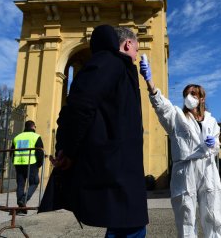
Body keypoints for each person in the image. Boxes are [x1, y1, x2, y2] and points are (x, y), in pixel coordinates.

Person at [51, 25, 148, 237]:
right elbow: (78, 107)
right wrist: (67, 150)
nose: (137, 54)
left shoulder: (117, 67)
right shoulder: (109, 63)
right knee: (129, 226)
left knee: (127, 225)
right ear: (128, 43)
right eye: (137, 49)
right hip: (115, 164)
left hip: (120, 164)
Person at [139, 58, 221, 237]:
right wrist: (150, 82)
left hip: (208, 167)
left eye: (193, 94)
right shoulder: (177, 117)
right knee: (186, 216)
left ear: (202, 98)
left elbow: (216, 145)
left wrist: (214, 144)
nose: (188, 97)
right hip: (185, 169)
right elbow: (162, 106)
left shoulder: (211, 121)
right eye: (186, 94)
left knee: (213, 214)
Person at [12, 120, 44, 215]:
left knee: (21, 184)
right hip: (31, 163)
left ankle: (21, 206)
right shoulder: (36, 136)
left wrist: (15, 162)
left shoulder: (17, 137)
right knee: (34, 182)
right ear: (33, 127)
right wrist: (39, 164)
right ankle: (23, 200)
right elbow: (40, 152)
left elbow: (12, 151)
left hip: (19, 163)